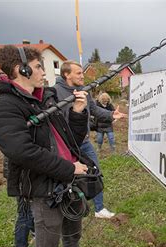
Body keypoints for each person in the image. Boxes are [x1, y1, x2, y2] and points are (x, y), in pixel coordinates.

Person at [0, 46, 110, 247]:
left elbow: (73, 140)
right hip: (46, 191)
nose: (44, 72)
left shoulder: (46, 99)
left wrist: (79, 112)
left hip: (70, 185)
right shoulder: (6, 109)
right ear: (20, 70)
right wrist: (69, 169)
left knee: (72, 237)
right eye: (38, 66)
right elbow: (24, 153)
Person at [54, 61, 126, 219]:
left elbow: (94, 109)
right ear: (67, 74)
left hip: (84, 142)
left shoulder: (82, 90)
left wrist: (110, 115)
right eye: (78, 73)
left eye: (82, 72)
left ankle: (99, 208)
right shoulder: (55, 93)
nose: (82, 75)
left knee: (95, 172)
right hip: (65, 145)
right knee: (66, 177)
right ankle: (63, 209)